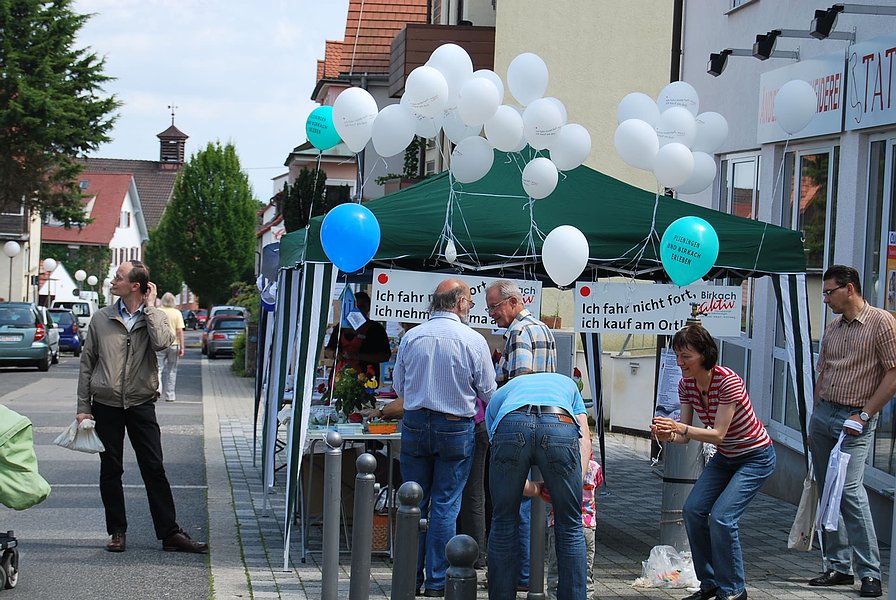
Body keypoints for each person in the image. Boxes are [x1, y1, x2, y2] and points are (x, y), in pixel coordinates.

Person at [75, 260, 207, 554]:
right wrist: (83, 407)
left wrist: (150, 308)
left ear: (135, 286)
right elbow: (87, 364)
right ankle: (117, 531)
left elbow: (163, 343)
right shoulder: (101, 318)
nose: (113, 280)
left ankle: (170, 533)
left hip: (140, 402)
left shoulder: (154, 316)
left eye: (119, 277)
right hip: (106, 404)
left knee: (154, 467)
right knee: (111, 469)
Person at [651, 324, 774, 600]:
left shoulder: (727, 381)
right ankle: (710, 584)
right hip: (726, 457)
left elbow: (718, 434)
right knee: (693, 510)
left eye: (686, 356)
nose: (680, 362)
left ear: (705, 354)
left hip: (755, 457)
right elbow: (684, 436)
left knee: (722, 518)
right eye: (678, 356)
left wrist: (679, 428)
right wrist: (667, 434)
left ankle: (733, 590)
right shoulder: (686, 385)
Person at [392, 278, 496, 597]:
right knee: (446, 505)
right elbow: (489, 391)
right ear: (461, 303)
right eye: (470, 303)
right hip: (455, 427)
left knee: (414, 502)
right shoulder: (472, 339)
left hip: (415, 423)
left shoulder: (411, 337)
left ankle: (410, 577)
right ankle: (438, 580)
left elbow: (399, 387)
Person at [805, 265, 896, 598]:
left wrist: (865, 414)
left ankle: (870, 572)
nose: (826, 297)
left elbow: (893, 373)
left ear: (850, 289)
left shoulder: (882, 323)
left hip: (855, 419)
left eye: (829, 291)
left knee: (850, 491)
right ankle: (838, 567)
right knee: (827, 489)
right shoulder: (833, 327)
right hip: (826, 412)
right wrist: (815, 416)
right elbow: (824, 371)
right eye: (825, 293)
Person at [485, 372, 591, 600]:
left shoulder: (502, 394)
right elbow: (584, 440)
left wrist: (532, 487)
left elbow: (499, 454)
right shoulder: (569, 386)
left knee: (503, 520)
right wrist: (573, 482)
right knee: (570, 524)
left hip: (510, 421)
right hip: (559, 422)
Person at [484, 278, 557, 588]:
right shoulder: (543, 329)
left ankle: (518, 575)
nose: (492, 315)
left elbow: (521, 379)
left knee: (514, 499)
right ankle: (527, 573)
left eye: (495, 307)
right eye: (489, 309)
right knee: (530, 497)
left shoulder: (517, 332)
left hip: (520, 423)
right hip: (547, 423)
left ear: (514, 302)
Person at [530, 453, 602, 600]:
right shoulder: (594, 468)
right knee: (586, 571)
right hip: (588, 526)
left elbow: (547, 493)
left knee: (556, 571)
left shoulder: (557, 469)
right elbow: (599, 481)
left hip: (559, 524)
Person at [322, 290, 391, 381]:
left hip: (366, 379)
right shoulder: (341, 327)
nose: (358, 310)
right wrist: (335, 354)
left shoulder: (376, 329)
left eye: (362, 307)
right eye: (355, 306)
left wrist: (358, 356)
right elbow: (328, 350)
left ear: (368, 308)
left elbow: (385, 356)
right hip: (339, 378)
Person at [156, 292, 185, 402]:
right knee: (172, 370)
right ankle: (170, 395)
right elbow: (180, 331)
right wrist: (182, 347)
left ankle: (158, 389)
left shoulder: (158, 311)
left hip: (160, 344)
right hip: (174, 344)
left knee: (158, 369)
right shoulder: (177, 313)